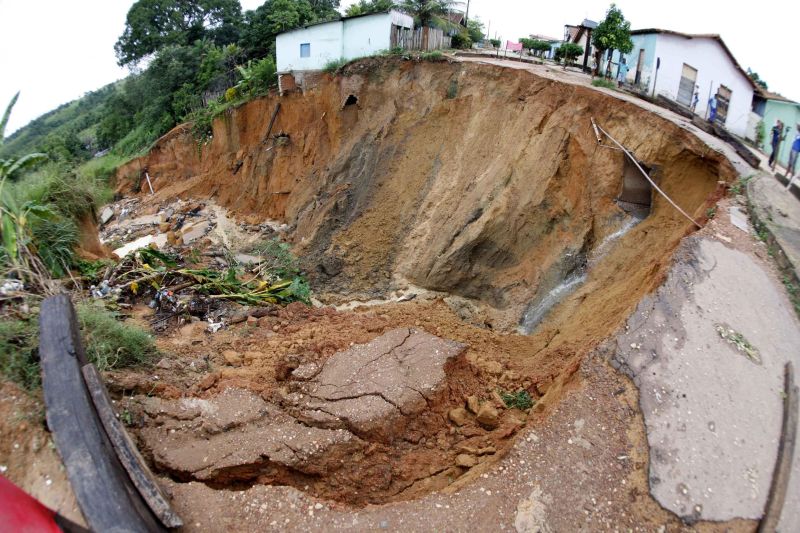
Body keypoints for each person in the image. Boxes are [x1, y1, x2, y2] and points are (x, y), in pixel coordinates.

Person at [786, 123, 800, 190]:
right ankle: (786, 174)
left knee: (793, 164)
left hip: (796, 150)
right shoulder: (797, 133)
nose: (797, 127)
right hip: (793, 148)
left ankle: (791, 177)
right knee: (789, 162)